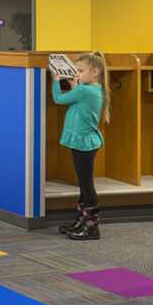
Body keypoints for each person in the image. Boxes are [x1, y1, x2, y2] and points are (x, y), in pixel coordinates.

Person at [51, 51, 111, 241]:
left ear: (94, 72)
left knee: (86, 185)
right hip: (84, 141)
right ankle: (82, 220)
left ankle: (92, 227)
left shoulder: (84, 90)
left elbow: (59, 99)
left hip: (84, 142)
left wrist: (55, 80)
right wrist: (73, 84)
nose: (76, 73)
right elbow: (78, 101)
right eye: (75, 70)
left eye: (80, 70)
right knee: (83, 185)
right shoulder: (90, 89)